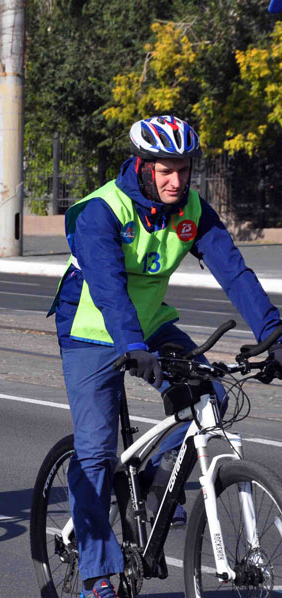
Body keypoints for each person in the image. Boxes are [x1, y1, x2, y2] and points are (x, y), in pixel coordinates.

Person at [48, 115, 282, 597]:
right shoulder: (101, 212)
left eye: (184, 169)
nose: (177, 180)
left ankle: (154, 489)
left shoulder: (191, 208)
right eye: (165, 170)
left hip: (149, 323)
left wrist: (274, 332)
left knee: (209, 398)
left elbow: (234, 272)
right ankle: (95, 576)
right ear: (142, 165)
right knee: (94, 452)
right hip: (91, 328)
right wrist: (132, 347)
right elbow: (110, 291)